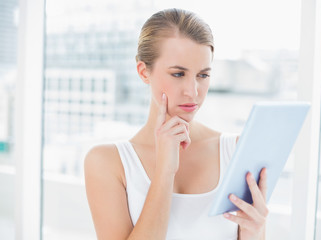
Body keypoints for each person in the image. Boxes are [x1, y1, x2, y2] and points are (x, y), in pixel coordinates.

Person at [84, 8, 268, 240]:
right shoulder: (108, 163)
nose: (193, 92)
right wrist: (164, 172)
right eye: (178, 74)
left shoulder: (237, 152)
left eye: (203, 75)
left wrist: (256, 232)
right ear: (143, 72)